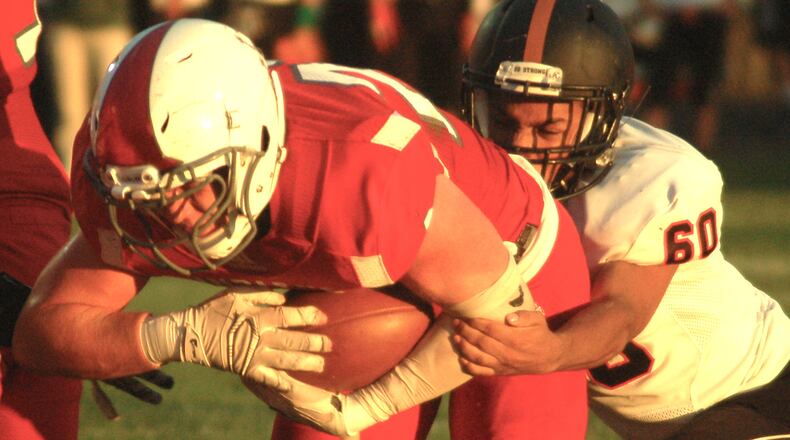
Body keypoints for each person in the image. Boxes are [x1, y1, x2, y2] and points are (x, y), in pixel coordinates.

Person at [11, 18, 590, 438]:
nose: (172, 217)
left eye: (190, 187)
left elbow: (501, 316)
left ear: (257, 145)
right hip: (360, 272)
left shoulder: (360, 175)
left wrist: (367, 407)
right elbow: (43, 331)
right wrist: (180, 333)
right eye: (149, 196)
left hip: (512, 266)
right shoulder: (131, 178)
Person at [454, 0, 790, 439]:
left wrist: (553, 350)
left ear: (601, 114)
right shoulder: (467, 171)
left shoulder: (649, 178)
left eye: (547, 130)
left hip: (756, 393)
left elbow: (623, 310)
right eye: (502, 120)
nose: (519, 148)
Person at [0, 1, 173, 438]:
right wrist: (49, 322)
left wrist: (55, 322)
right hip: (22, 169)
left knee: (38, 401)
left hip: (18, 183)